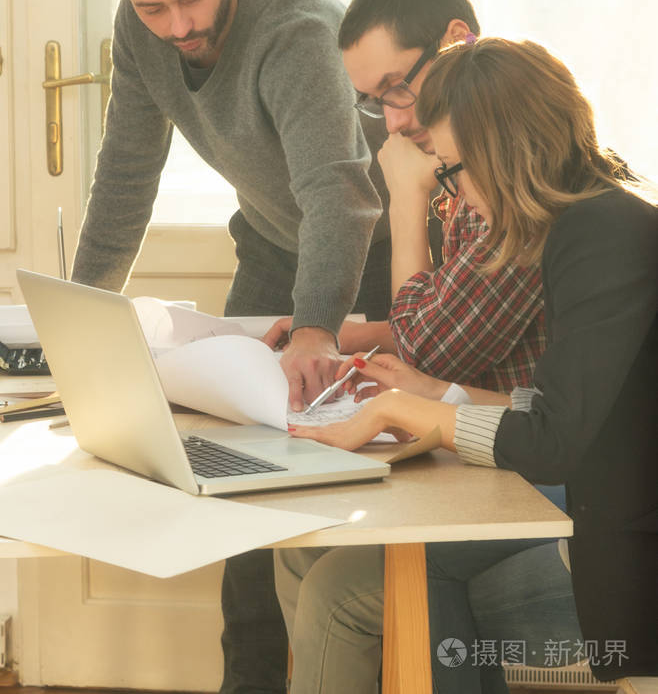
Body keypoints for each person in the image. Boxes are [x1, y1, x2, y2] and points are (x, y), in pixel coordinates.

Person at [70, 0, 392, 694]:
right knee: (236, 485)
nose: (178, 26)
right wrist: (82, 320)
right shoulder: (140, 33)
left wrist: (317, 327)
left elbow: (341, 197)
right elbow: (125, 177)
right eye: (153, 7)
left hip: (381, 253)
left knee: (338, 473)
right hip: (274, 246)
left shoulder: (296, 33)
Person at [276, 37, 658, 692]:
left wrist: (406, 407)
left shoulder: (603, 235)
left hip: (621, 564)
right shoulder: (588, 218)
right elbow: (561, 413)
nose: (455, 196)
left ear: (505, 153)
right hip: (596, 511)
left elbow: (553, 445)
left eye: (450, 171)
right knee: (333, 557)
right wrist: (438, 392)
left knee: (351, 586)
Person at [265, 0, 547, 393]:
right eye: (377, 102)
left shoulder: (519, 179)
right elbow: (447, 318)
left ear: (456, 39)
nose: (393, 122)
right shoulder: (471, 163)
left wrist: (407, 197)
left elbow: (428, 355)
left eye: (397, 86)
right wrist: (359, 334)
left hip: (522, 450)